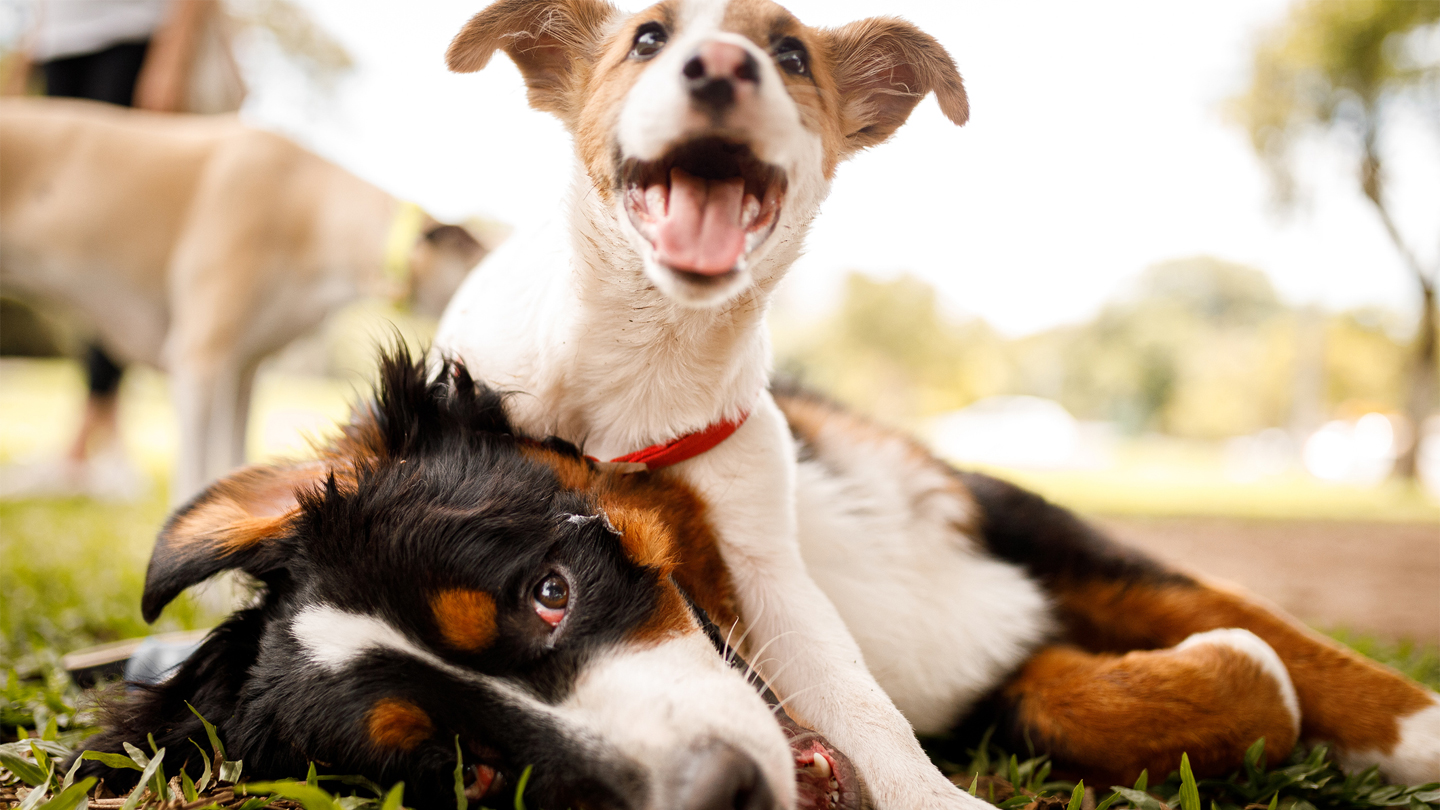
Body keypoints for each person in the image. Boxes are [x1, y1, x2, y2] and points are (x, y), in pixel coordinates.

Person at [3, 0, 241, 498]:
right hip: (60, 44)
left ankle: (95, 440)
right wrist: (28, 51)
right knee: (72, 248)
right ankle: (90, 440)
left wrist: (170, 60)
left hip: (132, 37)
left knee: (113, 248)